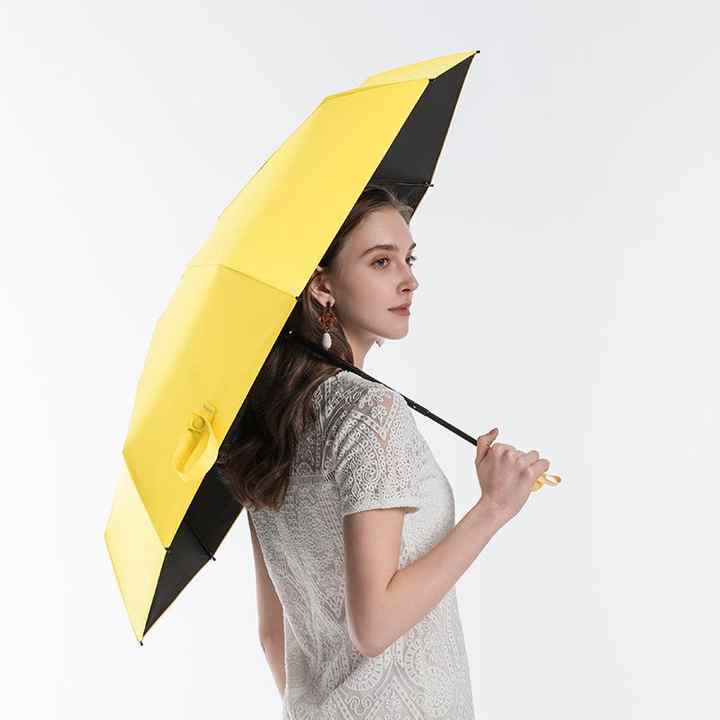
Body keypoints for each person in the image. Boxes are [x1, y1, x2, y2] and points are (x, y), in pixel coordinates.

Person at [216, 184, 552, 719]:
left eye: (408, 258)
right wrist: (493, 508)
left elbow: (272, 633)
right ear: (322, 286)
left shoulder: (266, 423)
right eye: (380, 261)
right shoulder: (370, 413)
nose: (408, 279)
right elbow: (373, 627)